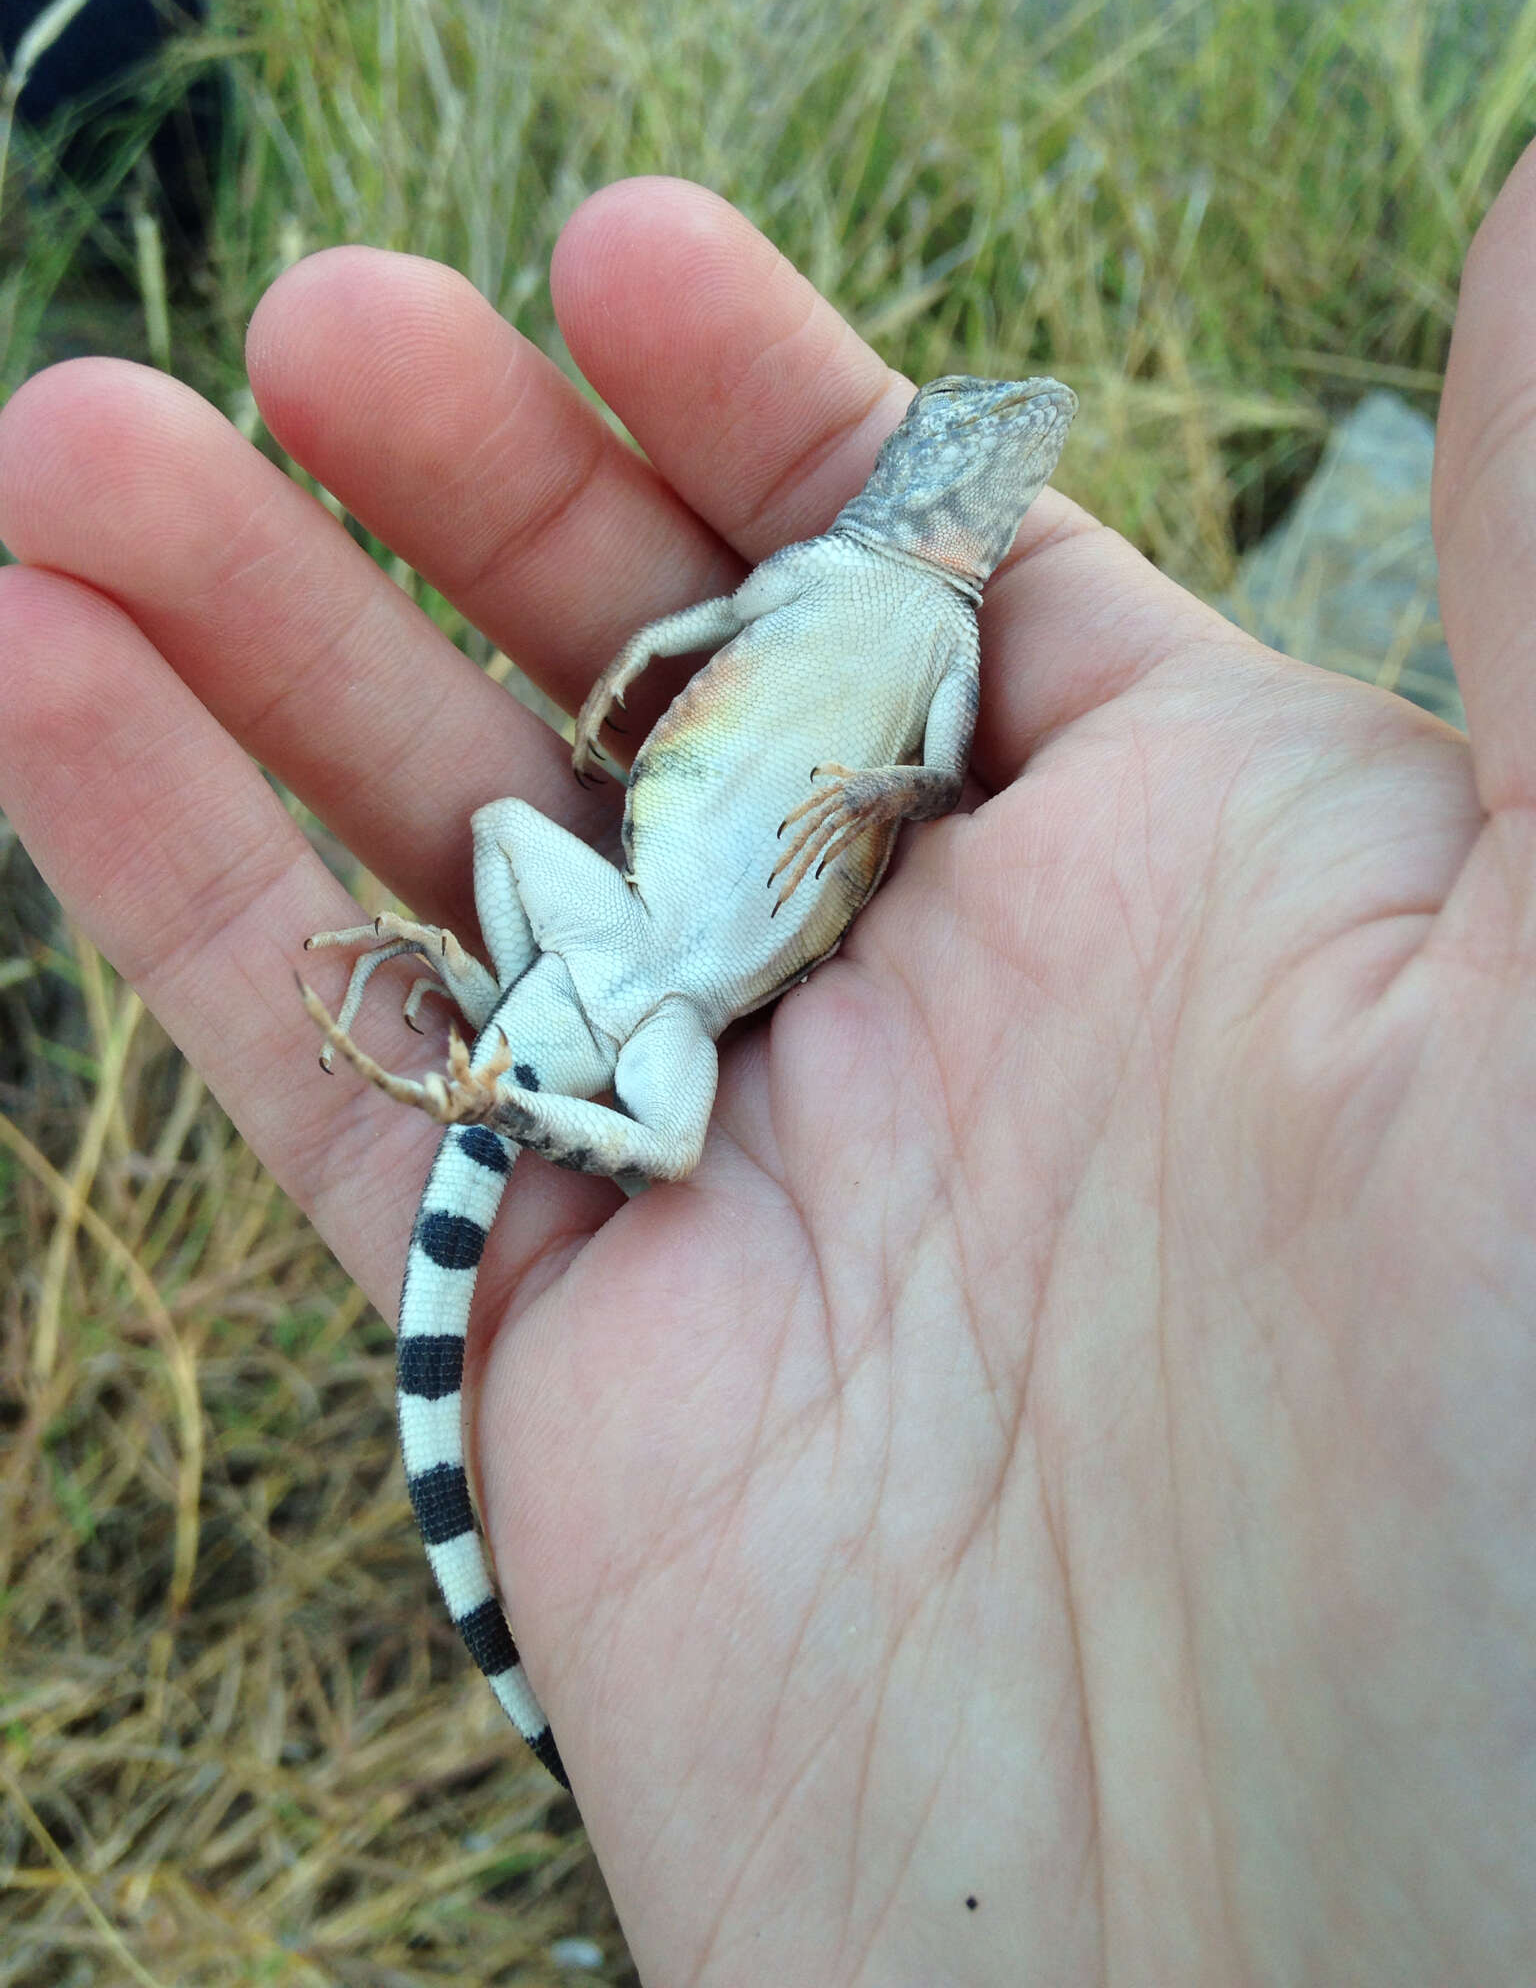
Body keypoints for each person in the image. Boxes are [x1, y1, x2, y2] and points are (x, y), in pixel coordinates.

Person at [0, 151, 1530, 1986]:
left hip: (681, 997)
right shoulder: (837, 557)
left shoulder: (955, 635)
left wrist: (880, 795)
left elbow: (932, 778)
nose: (1000, 447)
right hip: (610, 927)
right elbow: (682, 636)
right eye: (968, 432)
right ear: (914, 466)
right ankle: (497, 1046)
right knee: (496, 815)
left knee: (679, 1131)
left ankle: (511, 1105)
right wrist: (618, 685)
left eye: (1003, 445)